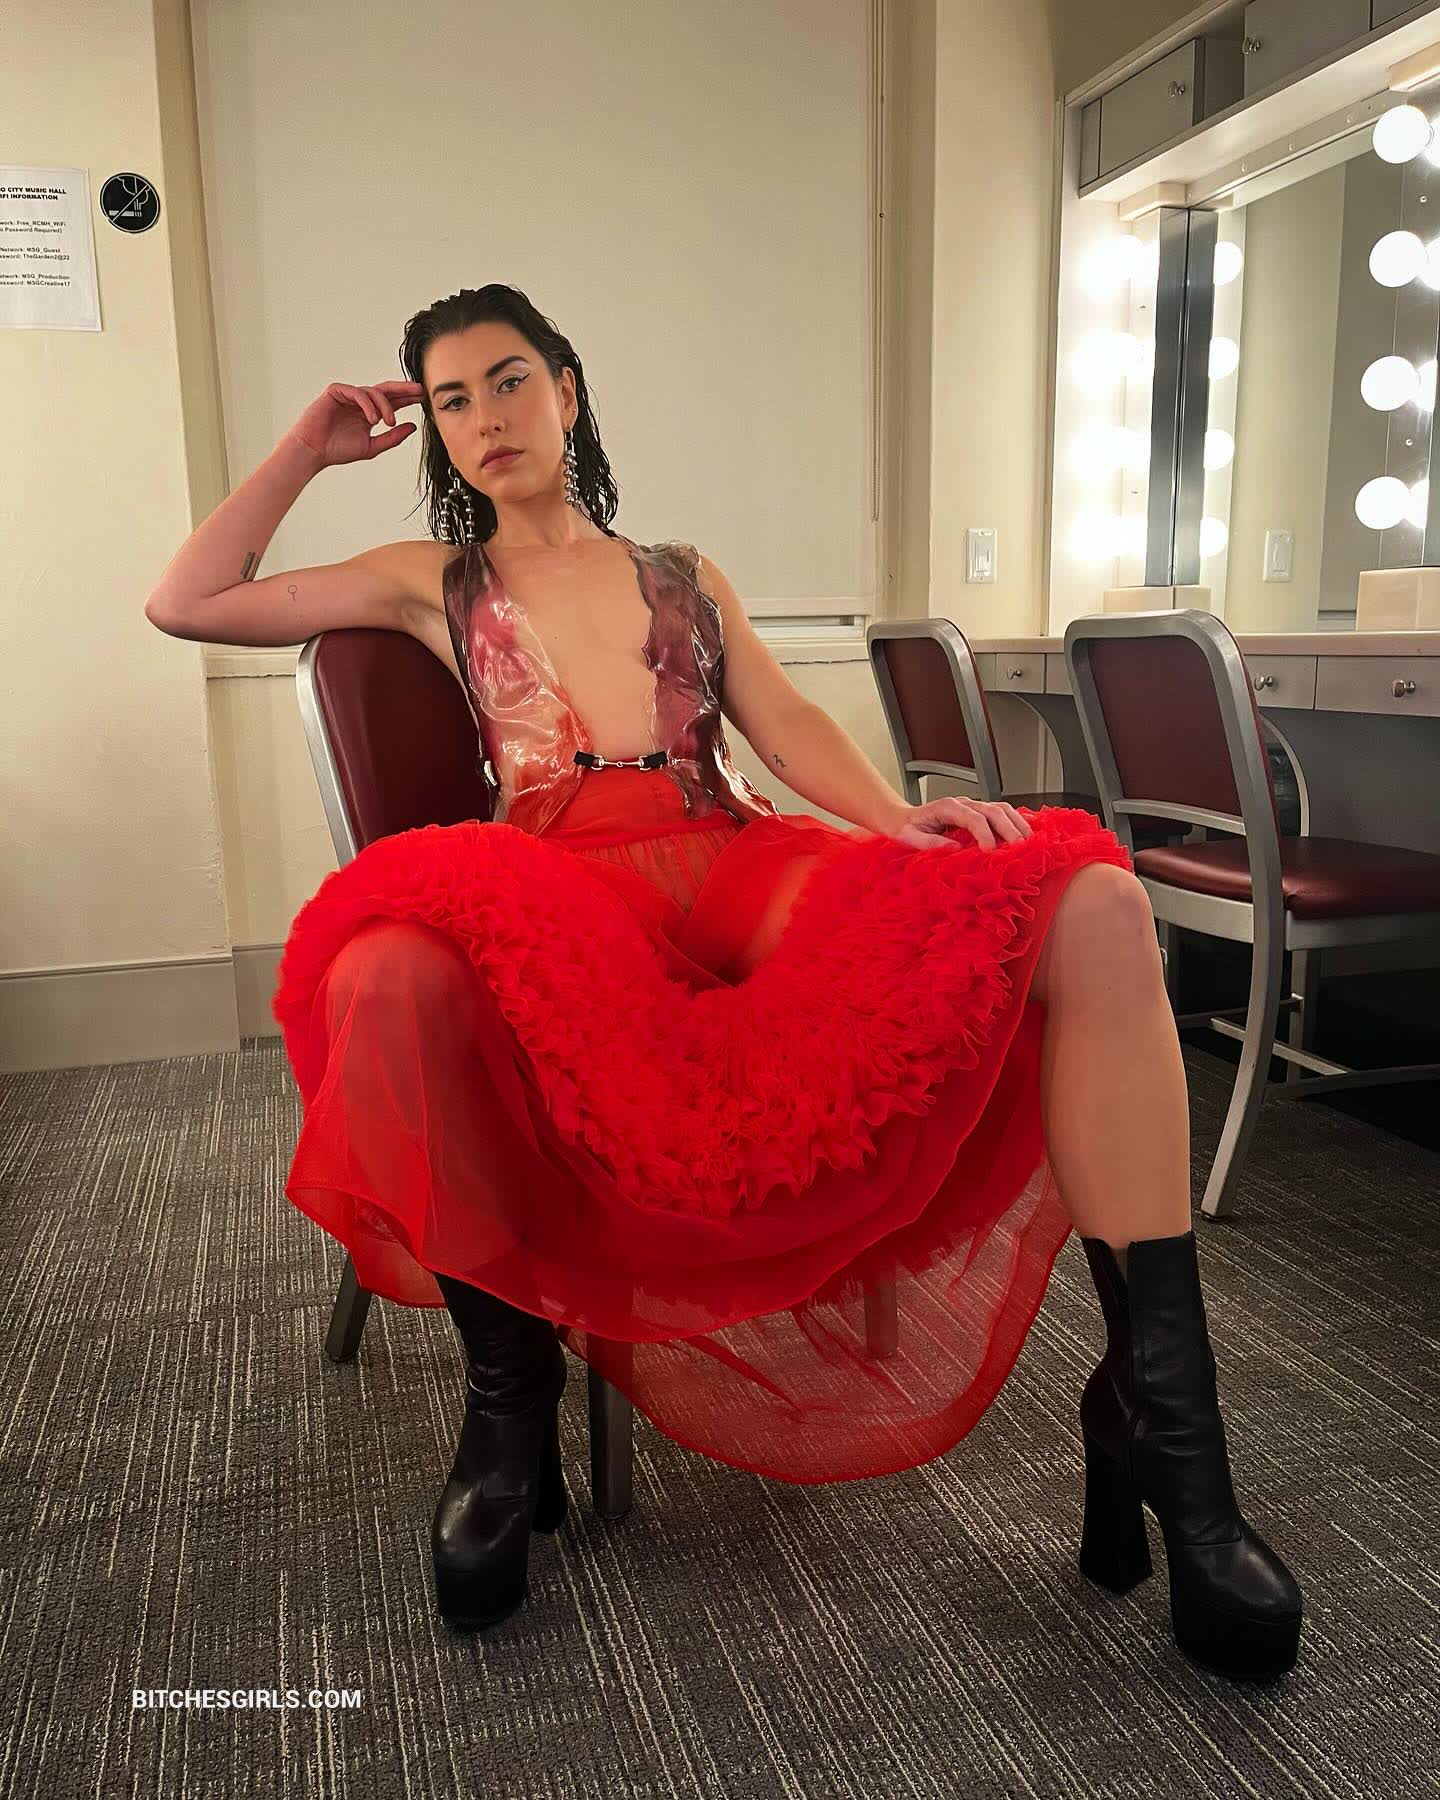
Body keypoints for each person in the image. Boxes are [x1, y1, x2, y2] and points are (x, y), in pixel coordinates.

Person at [145, 283, 1302, 1679]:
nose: (485, 417)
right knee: (390, 971)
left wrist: (899, 819)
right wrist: (307, 448)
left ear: (567, 391)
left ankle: (1172, 1430)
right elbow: (184, 600)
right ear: (435, 433)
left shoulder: (682, 572)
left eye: (508, 381)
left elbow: (784, 719)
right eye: (451, 400)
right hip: (562, 883)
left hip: (732, 851)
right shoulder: (424, 577)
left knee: (1089, 899)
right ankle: (508, 1416)